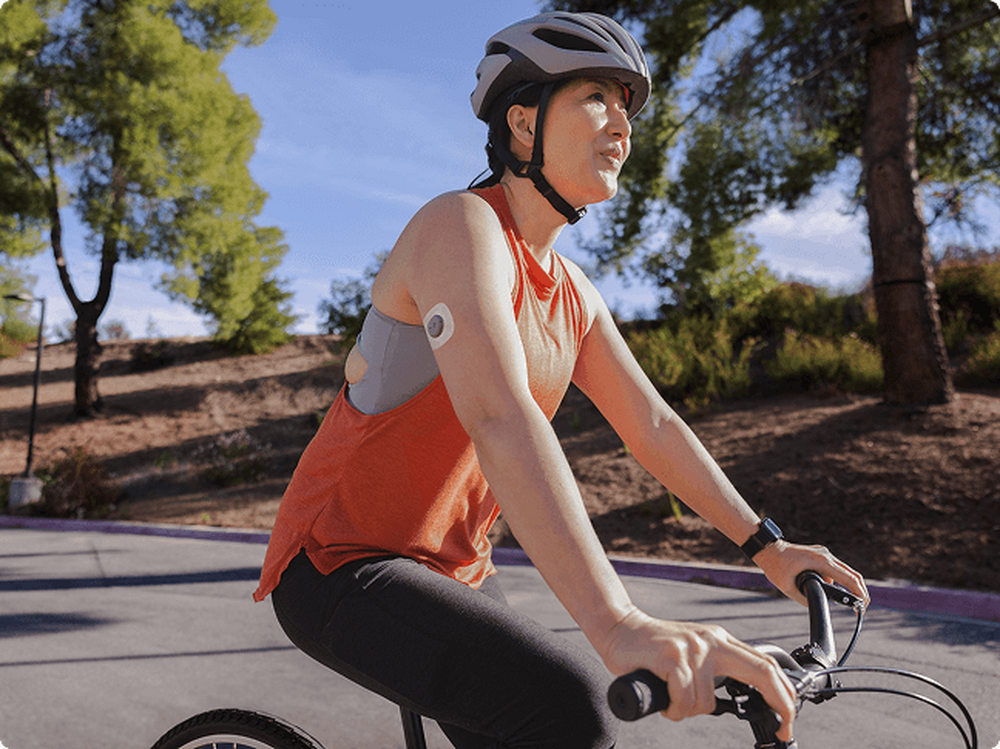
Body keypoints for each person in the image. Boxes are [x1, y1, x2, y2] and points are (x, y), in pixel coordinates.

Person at [253, 11, 868, 749]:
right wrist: (618, 622)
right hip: (342, 564)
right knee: (570, 711)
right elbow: (501, 416)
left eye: (627, 108)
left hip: (454, 568)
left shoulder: (573, 292)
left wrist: (767, 546)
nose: (622, 125)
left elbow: (653, 426)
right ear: (522, 121)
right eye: (597, 99)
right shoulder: (459, 226)